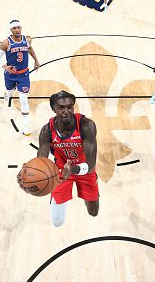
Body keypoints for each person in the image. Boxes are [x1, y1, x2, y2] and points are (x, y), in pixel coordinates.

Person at [19, 90, 99, 227]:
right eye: (61, 108)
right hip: (60, 172)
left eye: (70, 107)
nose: (66, 111)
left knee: (93, 212)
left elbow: (90, 165)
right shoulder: (47, 130)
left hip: (84, 169)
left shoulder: (86, 126)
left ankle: (90, 194)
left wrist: (73, 169)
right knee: (57, 221)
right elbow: (41, 160)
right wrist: (29, 176)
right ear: (53, 109)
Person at [0, 19, 40, 135]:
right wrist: (4, 66)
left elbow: (30, 49)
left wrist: (36, 60)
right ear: (11, 30)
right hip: (10, 75)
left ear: (21, 28)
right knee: (9, 93)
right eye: (14, 28)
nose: (17, 30)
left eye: (18, 27)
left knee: (23, 100)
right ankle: (7, 94)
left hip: (24, 75)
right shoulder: (6, 43)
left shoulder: (27, 40)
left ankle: (26, 127)